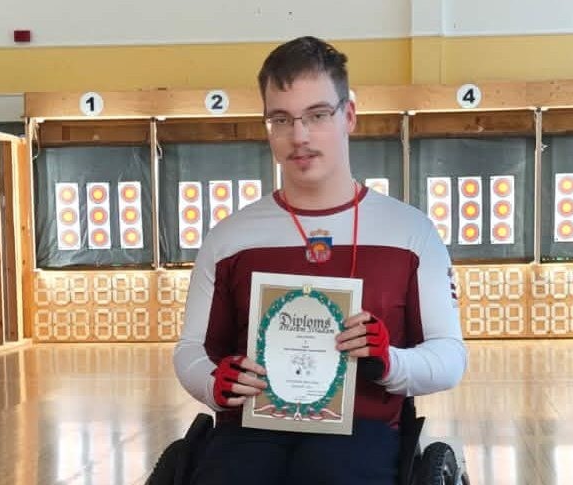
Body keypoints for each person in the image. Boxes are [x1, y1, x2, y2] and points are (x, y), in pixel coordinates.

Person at [173, 35, 466, 485]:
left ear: (348, 115)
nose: (299, 136)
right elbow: (192, 351)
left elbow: (449, 357)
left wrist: (389, 362)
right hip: (248, 434)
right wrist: (216, 382)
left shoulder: (412, 233)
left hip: (362, 435)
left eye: (317, 115)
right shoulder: (229, 238)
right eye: (281, 119)